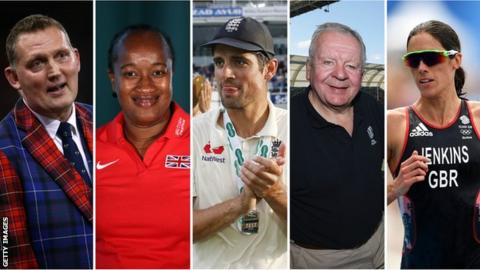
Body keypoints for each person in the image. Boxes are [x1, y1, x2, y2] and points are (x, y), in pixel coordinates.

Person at [192, 17, 288, 268]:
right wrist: (241, 204)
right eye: (219, 62)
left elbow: (318, 229)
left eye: (240, 61)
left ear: (269, 70)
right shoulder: (192, 134)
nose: (226, 73)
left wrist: (276, 193)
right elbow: (180, 229)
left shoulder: (295, 129)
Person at [0, 14, 93, 268]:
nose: (54, 72)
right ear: (14, 78)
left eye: (62, 56)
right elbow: (10, 257)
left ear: (77, 59)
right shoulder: (4, 149)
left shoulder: (107, 123)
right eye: (37, 63)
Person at [290, 22, 384, 269]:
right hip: (322, 259)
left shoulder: (373, 109)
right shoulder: (286, 124)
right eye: (328, 62)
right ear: (309, 70)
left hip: (379, 241)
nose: (341, 74)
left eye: (351, 66)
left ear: (362, 75)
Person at [387, 20, 480, 268]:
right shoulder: (394, 124)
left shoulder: (478, 119)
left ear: (455, 60)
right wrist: (395, 188)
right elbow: (352, 201)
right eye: (413, 61)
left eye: (431, 58)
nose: (422, 68)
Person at [95, 25, 190, 268]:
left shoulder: (205, 141)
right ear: (113, 80)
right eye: (130, 74)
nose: (145, 86)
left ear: (172, 75)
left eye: (158, 73)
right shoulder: (87, 147)